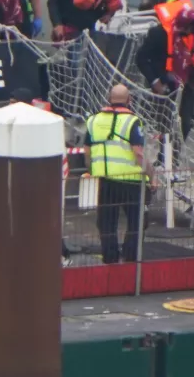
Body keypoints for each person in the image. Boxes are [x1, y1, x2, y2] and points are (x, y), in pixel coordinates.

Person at [135, 0, 194, 166]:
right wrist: (155, 81)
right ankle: (163, 161)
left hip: (186, 85)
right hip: (164, 87)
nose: (188, 32)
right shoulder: (158, 33)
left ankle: (172, 160)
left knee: (185, 123)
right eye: (186, 28)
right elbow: (141, 58)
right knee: (166, 124)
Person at [84, 85, 149, 264]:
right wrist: (152, 175)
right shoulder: (132, 121)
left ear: (108, 98)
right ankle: (131, 257)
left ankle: (110, 258)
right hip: (131, 181)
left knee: (106, 223)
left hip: (105, 181)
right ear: (129, 100)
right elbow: (139, 153)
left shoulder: (93, 120)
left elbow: (87, 152)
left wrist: (92, 171)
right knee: (137, 222)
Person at [10, 88, 73, 266]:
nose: (10, 105)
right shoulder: (34, 118)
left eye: (13, 101)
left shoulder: (34, 121)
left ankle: (60, 254)